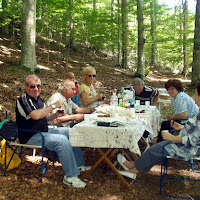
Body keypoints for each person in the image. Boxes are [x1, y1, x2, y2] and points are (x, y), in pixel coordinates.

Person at [16, 74, 88, 188]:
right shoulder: (23, 99)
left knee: (70, 132)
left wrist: (55, 115)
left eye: (38, 86)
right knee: (62, 141)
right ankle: (70, 176)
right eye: (32, 86)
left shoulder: (38, 99)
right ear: (26, 87)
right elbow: (34, 115)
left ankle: (79, 164)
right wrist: (52, 106)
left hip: (44, 131)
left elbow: (45, 117)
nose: (36, 89)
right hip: (31, 136)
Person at [117, 83, 200, 178]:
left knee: (154, 150)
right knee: (155, 148)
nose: (194, 98)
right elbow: (195, 131)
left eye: (196, 95)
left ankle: (133, 169)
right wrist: (181, 127)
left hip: (189, 148)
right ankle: (133, 167)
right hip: (183, 141)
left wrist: (172, 138)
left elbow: (193, 141)